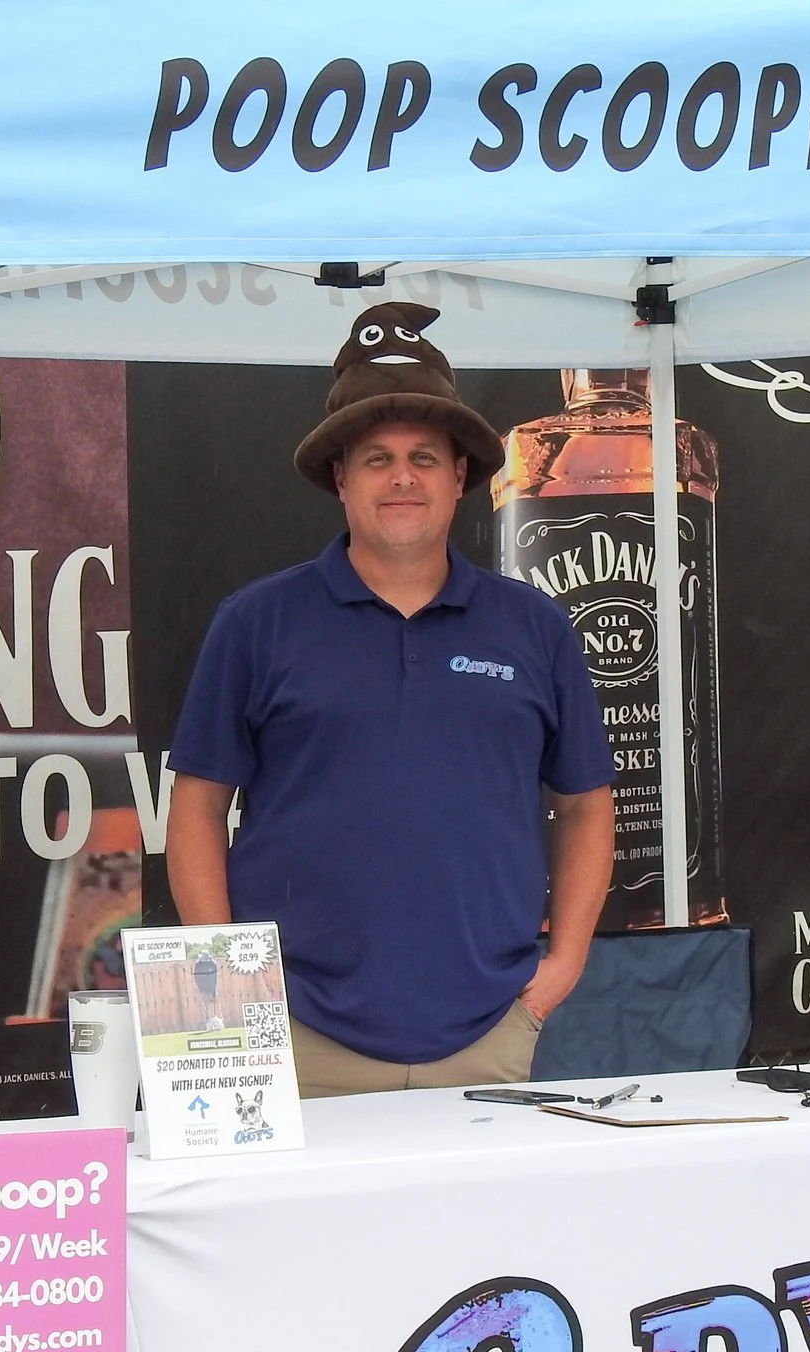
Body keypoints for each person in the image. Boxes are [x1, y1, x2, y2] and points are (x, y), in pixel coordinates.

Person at [165, 303, 615, 1095]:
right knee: (295, 1227)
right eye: (376, 459)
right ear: (341, 478)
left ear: (461, 476)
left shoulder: (534, 627)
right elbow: (196, 807)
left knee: (483, 1227)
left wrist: (563, 965)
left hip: (491, 1028)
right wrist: (229, 994)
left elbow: (587, 805)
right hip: (293, 1029)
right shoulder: (256, 623)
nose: (402, 478)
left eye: (424, 458)